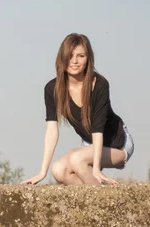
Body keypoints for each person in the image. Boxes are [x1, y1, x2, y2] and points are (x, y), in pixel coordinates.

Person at [22, 33, 134, 186]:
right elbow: (51, 131)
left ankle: (102, 202)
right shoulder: (53, 89)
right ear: (62, 58)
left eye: (80, 56)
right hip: (89, 145)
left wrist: (96, 168)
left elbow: (97, 130)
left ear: (88, 59)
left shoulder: (99, 85)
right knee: (58, 169)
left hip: (117, 143)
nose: (74, 61)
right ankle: (93, 199)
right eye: (70, 56)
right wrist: (42, 172)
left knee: (77, 159)